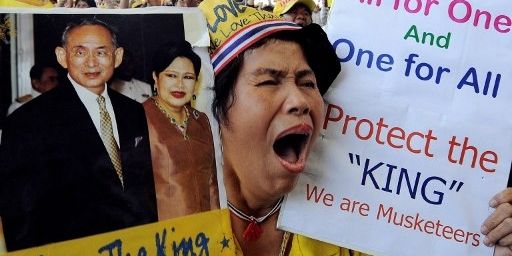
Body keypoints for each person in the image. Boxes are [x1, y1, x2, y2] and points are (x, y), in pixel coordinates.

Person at [199, 1, 512, 255]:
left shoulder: (359, 218)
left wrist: (494, 247)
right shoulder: (166, 209)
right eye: (269, 81)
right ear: (213, 106)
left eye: (308, 83)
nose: (301, 100)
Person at [0, 19, 157, 251]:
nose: (92, 62)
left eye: (101, 52)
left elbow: (142, 192)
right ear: (62, 56)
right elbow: (20, 216)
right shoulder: (27, 121)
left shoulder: (134, 111)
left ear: (118, 56)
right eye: (80, 52)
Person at [143, 40, 219, 221]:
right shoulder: (139, 117)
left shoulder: (201, 120)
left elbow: (212, 184)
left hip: (204, 233)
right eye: (171, 75)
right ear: (155, 77)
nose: (180, 85)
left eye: (188, 77)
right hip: (163, 236)